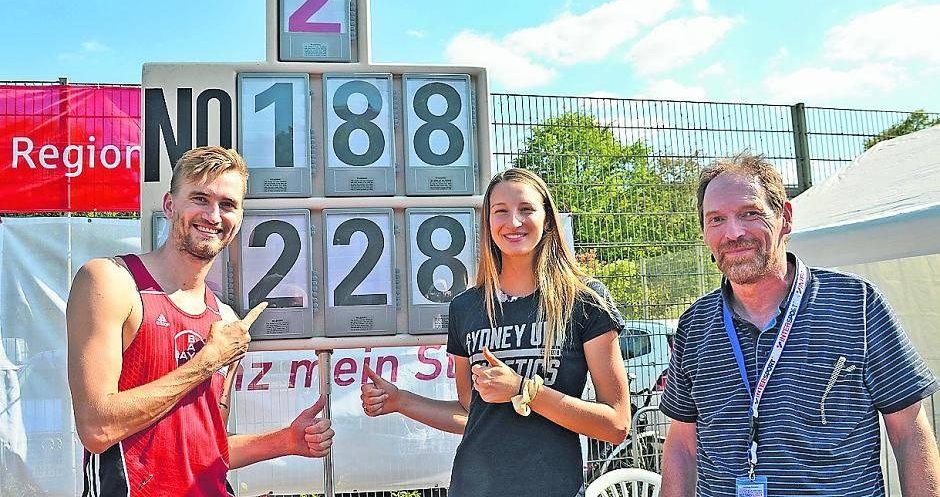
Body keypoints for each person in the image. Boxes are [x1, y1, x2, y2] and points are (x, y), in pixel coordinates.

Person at [659, 153, 940, 496]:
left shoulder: (856, 303)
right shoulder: (696, 323)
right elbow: (683, 446)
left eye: (750, 213)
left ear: (785, 219)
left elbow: (909, 431)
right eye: (716, 219)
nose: (733, 233)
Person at [66, 146, 334, 496]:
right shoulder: (111, 282)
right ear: (169, 205)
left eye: (227, 204)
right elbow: (97, 427)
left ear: (238, 220)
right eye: (200, 198)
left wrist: (284, 441)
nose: (213, 215)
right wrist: (206, 362)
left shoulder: (225, 321)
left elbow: (207, 446)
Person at [360, 168, 632, 497]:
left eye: (526, 209)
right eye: (500, 211)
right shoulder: (466, 307)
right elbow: (469, 412)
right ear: (488, 223)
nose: (513, 222)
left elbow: (616, 424)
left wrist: (523, 390)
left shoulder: (585, 300)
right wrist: (400, 400)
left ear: (547, 219)